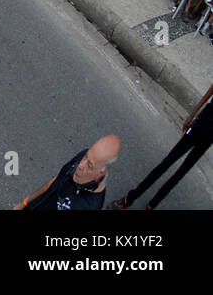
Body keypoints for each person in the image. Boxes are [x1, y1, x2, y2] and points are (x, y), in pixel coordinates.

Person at [114, 81, 213, 209]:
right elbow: (211, 90)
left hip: (208, 139)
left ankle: (151, 205)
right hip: (200, 125)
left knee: (179, 174)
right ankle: (131, 197)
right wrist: (192, 115)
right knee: (166, 163)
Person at [16, 135, 120, 210]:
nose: (80, 165)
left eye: (89, 166)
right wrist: (24, 203)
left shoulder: (90, 206)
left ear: (101, 172)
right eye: (85, 157)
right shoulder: (84, 157)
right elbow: (54, 182)